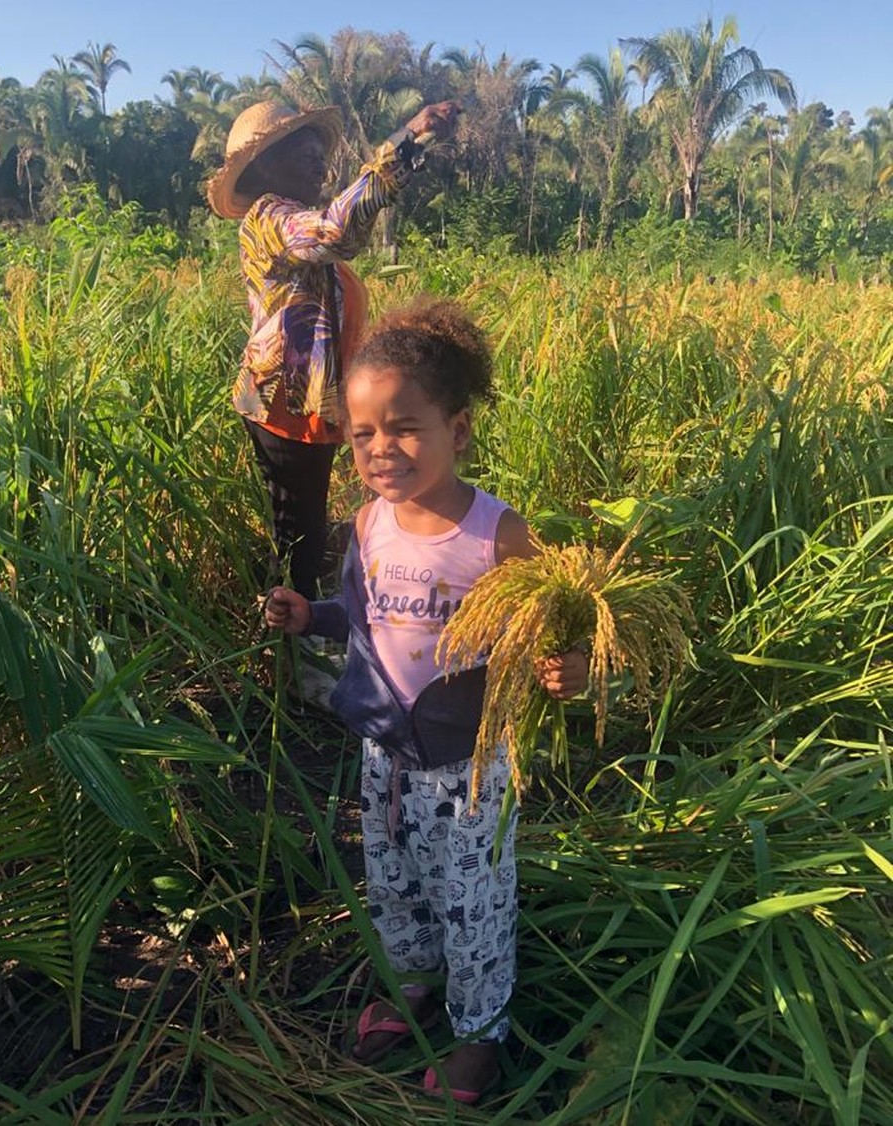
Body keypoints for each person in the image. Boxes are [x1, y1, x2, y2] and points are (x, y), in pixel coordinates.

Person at [264, 299, 589, 1103]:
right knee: (393, 876)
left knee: (472, 899)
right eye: (364, 431)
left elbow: (559, 629)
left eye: (405, 427)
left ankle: (480, 1034)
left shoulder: (497, 536)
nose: (381, 449)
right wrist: (313, 618)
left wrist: (570, 666)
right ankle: (411, 981)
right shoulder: (371, 525)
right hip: (385, 752)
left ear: (460, 428)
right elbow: (365, 617)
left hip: (467, 762)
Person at [207, 98, 461, 601]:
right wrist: (405, 140)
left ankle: (300, 631)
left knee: (305, 528)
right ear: (263, 165)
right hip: (284, 401)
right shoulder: (269, 217)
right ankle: (286, 653)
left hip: (312, 405)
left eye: (318, 145)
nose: (316, 153)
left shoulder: (298, 229)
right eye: (298, 145)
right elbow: (336, 230)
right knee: (297, 537)